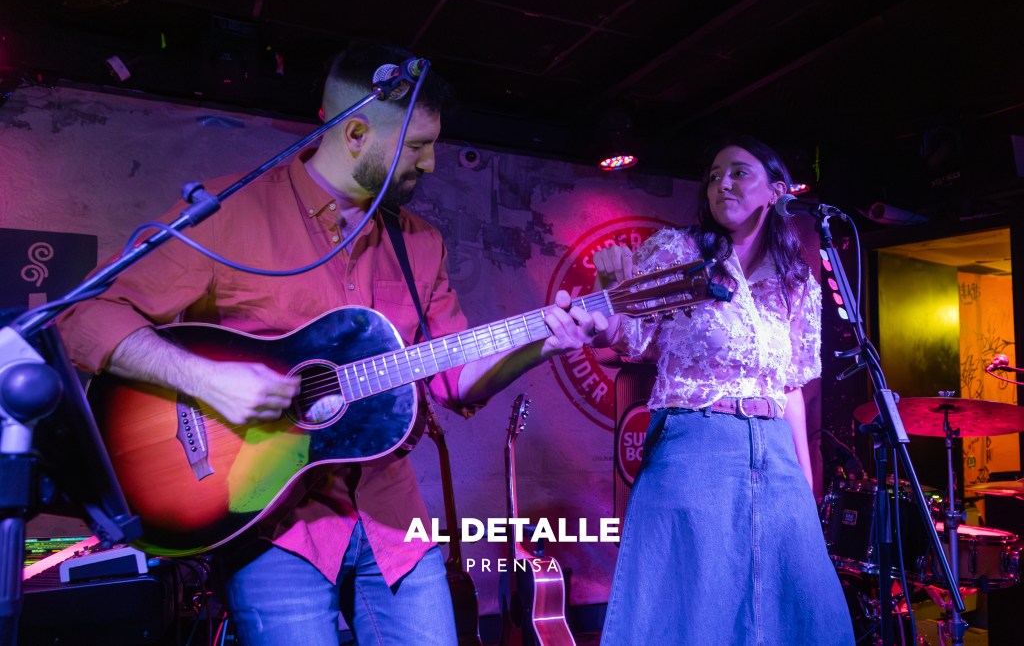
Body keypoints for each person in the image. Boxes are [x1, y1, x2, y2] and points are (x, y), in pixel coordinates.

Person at [55, 45, 606, 645]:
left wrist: (543, 343)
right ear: (357, 133)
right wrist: (207, 380)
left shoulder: (420, 243)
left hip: (392, 517)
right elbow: (83, 318)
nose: (430, 164)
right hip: (271, 524)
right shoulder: (232, 211)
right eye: (417, 146)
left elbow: (454, 377)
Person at [591, 135, 854, 644]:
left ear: (777, 191)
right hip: (697, 447)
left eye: (738, 172)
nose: (721, 184)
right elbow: (629, 338)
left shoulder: (798, 280)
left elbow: (792, 387)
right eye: (713, 175)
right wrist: (610, 301)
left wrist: (804, 482)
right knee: (697, 612)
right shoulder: (676, 251)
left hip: (776, 454)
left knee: (804, 610)